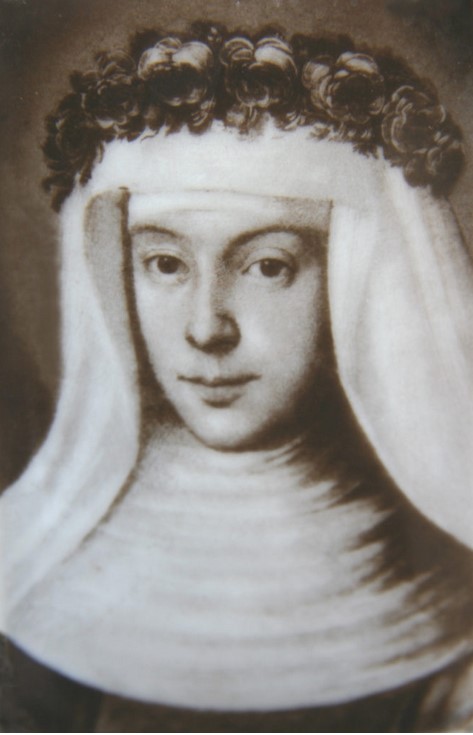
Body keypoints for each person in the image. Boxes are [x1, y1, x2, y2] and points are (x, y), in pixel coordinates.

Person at [1, 22, 473, 731]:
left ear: (353, 282)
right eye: (165, 264)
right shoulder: (28, 572)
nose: (206, 328)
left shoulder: (453, 601)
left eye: (267, 266)